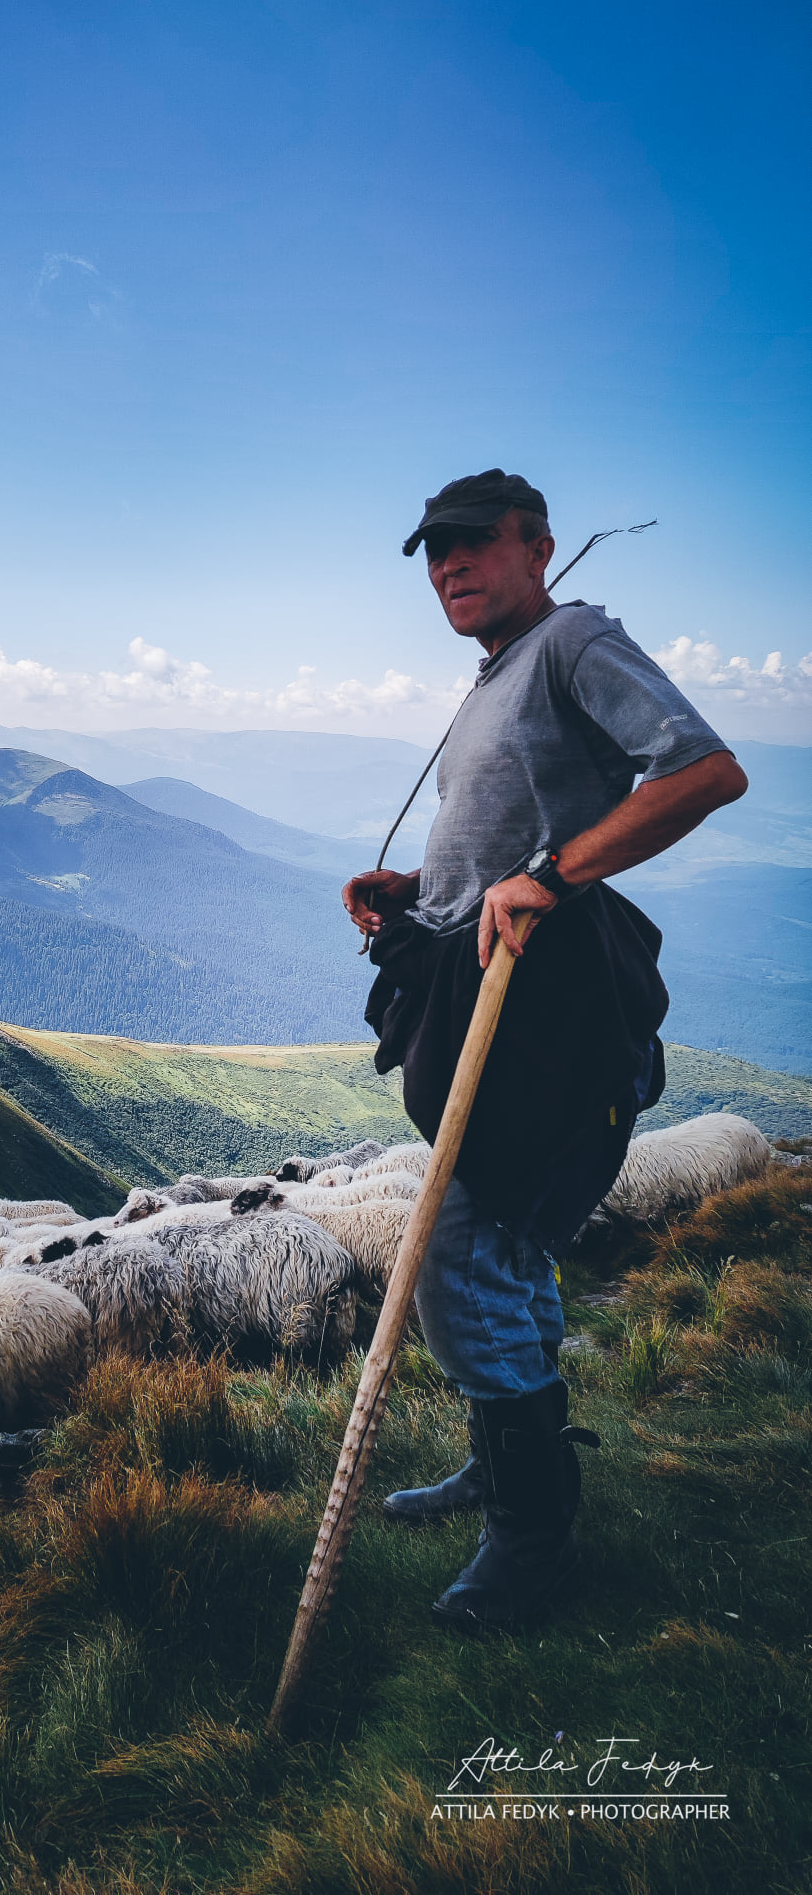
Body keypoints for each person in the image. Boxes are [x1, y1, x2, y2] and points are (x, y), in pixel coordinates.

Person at [342, 469, 747, 1634]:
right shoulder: (499, 672)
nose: (451, 564)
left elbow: (706, 769)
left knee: (462, 1255)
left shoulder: (573, 639)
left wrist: (556, 876)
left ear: (539, 546)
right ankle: (500, 1461)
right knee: (507, 1237)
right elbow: (513, 838)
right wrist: (419, 887)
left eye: (475, 542)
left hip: (544, 1000)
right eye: (435, 550)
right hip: (475, 978)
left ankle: (535, 1532)